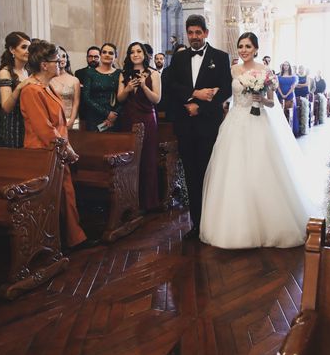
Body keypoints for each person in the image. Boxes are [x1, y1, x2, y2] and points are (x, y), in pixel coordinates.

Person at [200, 32, 318, 248]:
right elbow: (227, 93)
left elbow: (272, 103)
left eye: (247, 46)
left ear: (255, 49)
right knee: (234, 171)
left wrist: (261, 98)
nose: (243, 50)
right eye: (241, 46)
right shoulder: (233, 70)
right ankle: (235, 227)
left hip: (258, 121)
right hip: (235, 122)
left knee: (261, 169)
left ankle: (269, 224)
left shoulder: (265, 71)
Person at [20, 40, 93, 250]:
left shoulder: (47, 86)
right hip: (43, 153)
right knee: (55, 199)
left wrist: (66, 147)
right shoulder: (31, 91)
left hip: (57, 151)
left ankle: (74, 238)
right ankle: (57, 243)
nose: (60, 62)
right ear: (44, 64)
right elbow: (44, 129)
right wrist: (66, 148)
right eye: (55, 60)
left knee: (67, 195)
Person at [166, 14, 232, 239]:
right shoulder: (179, 58)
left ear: (206, 33)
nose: (194, 37)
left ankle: (213, 222)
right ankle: (196, 224)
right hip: (185, 126)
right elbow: (170, 85)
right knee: (191, 175)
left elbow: (226, 90)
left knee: (209, 173)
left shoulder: (220, 57)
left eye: (198, 32)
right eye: (190, 33)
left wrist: (201, 108)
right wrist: (192, 96)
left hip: (208, 126)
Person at [117, 42, 161, 211]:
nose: (135, 54)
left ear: (144, 54)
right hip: (129, 117)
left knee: (148, 158)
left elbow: (157, 99)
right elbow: (120, 98)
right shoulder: (124, 74)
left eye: (138, 51)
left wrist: (143, 86)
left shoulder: (154, 74)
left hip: (147, 118)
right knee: (130, 159)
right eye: (132, 52)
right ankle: (130, 200)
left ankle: (148, 202)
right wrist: (127, 89)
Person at [0, 31, 33, 148]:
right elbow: (6, 107)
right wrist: (20, 86)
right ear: (12, 50)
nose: (28, 51)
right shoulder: (5, 72)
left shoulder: (29, 71)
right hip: (13, 126)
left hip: (29, 123)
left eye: (29, 48)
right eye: (23, 47)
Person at [81, 42, 121, 131]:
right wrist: (107, 113)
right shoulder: (90, 73)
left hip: (114, 118)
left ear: (115, 57)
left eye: (111, 53)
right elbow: (86, 97)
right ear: (100, 55)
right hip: (94, 116)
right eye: (104, 52)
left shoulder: (119, 73)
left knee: (114, 144)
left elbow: (123, 98)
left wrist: (114, 115)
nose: (107, 55)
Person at [50, 46, 80, 129]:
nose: (62, 59)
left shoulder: (74, 80)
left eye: (64, 56)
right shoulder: (49, 79)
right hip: (53, 120)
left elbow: (76, 103)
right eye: (59, 56)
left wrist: (72, 120)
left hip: (71, 119)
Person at [277, 61, 299, 135]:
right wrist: (282, 94)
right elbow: (278, 86)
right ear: (282, 66)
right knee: (280, 112)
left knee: (289, 112)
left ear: (289, 66)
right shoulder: (279, 76)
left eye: (287, 65)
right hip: (280, 95)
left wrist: (286, 95)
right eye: (284, 65)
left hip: (290, 96)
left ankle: (289, 129)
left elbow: (293, 87)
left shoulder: (293, 76)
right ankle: (280, 129)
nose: (285, 66)